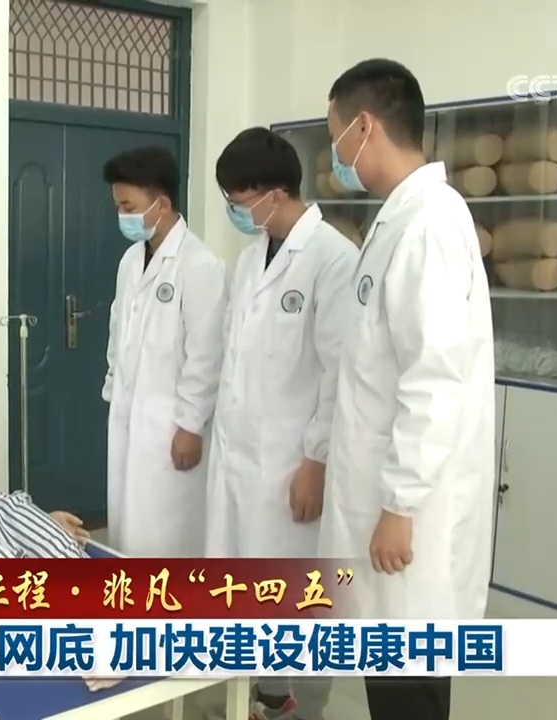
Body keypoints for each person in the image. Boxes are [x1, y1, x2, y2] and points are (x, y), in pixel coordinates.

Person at [320, 59, 495, 720]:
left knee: (409, 684)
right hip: (380, 496)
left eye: (336, 138)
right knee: (388, 672)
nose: (337, 156)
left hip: (407, 512)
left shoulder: (429, 225)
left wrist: (399, 504)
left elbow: (434, 378)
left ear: (365, 126)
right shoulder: (400, 219)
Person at [207, 127, 359, 720]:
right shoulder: (250, 259)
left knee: (298, 594)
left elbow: (339, 372)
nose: (235, 210)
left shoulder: (333, 260)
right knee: (245, 587)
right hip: (241, 457)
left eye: (239, 199)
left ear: (275, 193)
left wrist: (315, 461)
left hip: (291, 462)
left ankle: (301, 704)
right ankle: (256, 697)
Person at [101, 146, 227, 557]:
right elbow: (118, 329)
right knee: (127, 528)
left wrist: (190, 425)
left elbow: (206, 353)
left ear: (163, 204)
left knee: (167, 534)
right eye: (118, 207)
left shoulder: (199, 265)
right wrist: (114, 385)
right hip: (129, 414)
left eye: (128, 207)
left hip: (171, 426)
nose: (122, 216)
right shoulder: (130, 260)